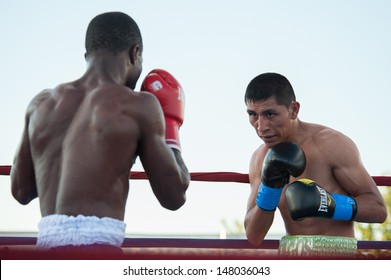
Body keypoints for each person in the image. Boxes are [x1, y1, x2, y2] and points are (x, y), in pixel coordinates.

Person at [10, 11, 190, 253]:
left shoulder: (40, 103)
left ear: (87, 56)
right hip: (97, 251)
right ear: (135, 53)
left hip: (45, 251)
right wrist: (171, 128)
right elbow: (174, 196)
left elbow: (21, 191)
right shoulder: (139, 105)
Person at [244, 72, 387, 256]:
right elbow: (254, 236)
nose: (261, 126)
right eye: (253, 115)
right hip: (291, 259)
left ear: (293, 109)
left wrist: (330, 204)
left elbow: (378, 209)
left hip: (338, 258)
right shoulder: (260, 158)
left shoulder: (330, 144)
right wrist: (270, 189)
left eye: (270, 114)